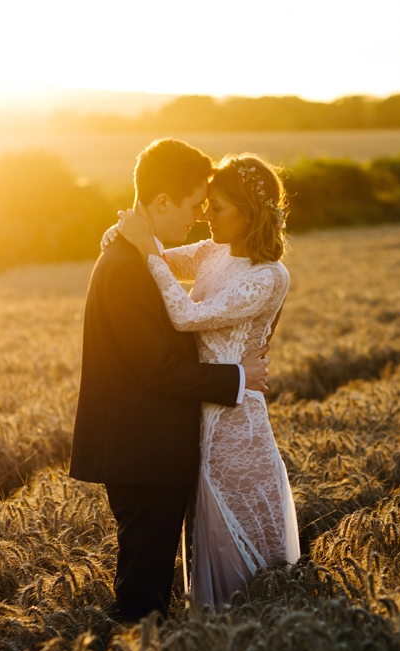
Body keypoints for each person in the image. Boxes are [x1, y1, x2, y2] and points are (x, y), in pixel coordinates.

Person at [69, 138, 270, 624]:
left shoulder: (136, 258)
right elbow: (157, 369)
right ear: (161, 203)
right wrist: (238, 377)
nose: (199, 217)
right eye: (194, 204)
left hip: (149, 453)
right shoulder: (127, 270)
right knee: (144, 595)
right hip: (143, 456)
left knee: (150, 581)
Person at [110, 153, 299, 611]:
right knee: (203, 533)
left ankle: (257, 627)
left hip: (235, 426)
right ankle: (216, 634)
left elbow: (187, 315)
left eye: (217, 208)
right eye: (205, 204)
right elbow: (127, 248)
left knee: (233, 539)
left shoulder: (269, 277)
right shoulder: (211, 253)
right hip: (200, 410)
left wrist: (148, 250)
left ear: (250, 214)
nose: (204, 216)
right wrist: (131, 234)